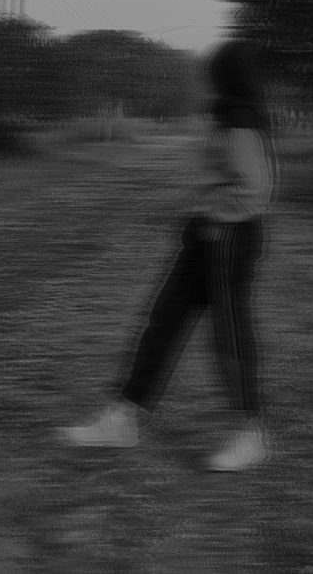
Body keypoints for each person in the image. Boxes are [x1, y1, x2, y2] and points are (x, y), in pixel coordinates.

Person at [58, 39, 279, 471]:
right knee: (163, 322)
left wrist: (212, 220)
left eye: (212, 72)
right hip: (209, 236)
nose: (207, 78)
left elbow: (256, 192)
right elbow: (228, 183)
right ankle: (123, 419)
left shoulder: (241, 121)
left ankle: (252, 435)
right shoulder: (231, 116)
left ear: (226, 76)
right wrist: (201, 218)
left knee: (229, 336)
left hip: (228, 239)